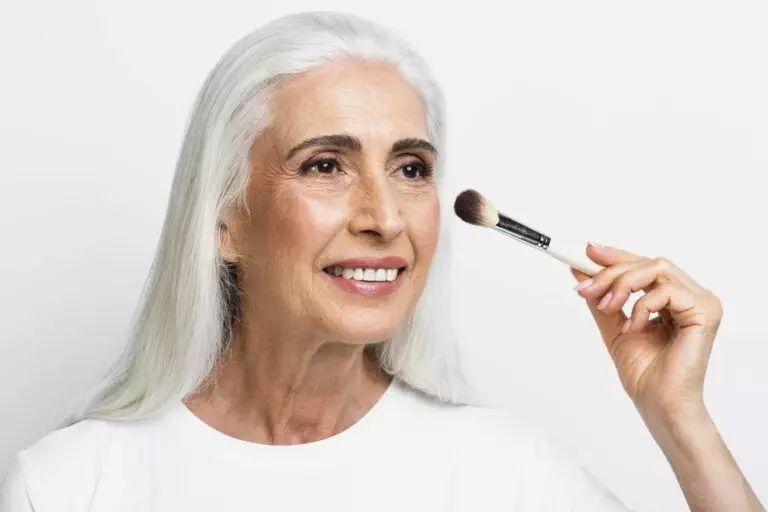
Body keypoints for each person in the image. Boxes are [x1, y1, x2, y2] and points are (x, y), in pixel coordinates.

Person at [0, 10, 762, 512]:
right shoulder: (74, 485)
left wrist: (681, 418)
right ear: (226, 221)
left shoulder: (504, 477)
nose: (385, 218)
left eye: (410, 168)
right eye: (326, 165)